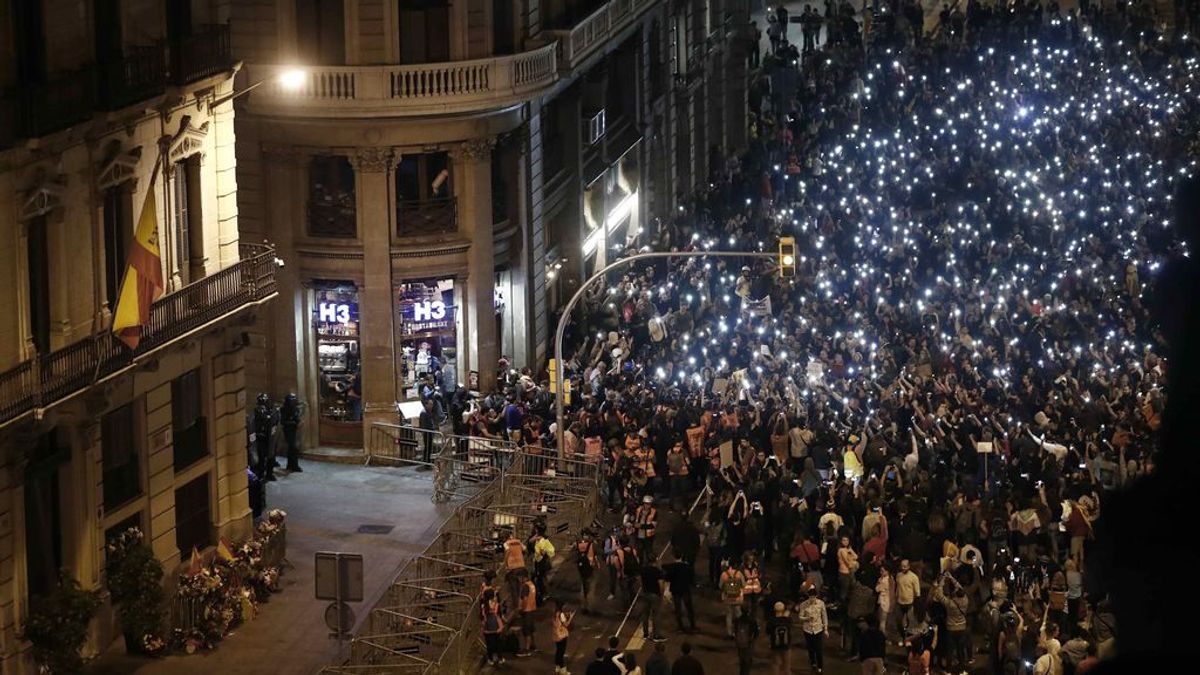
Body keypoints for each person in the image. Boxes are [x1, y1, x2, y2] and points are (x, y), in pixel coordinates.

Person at [664, 550, 697, 632]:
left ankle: (680, 627)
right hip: (685, 589)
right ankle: (692, 625)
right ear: (682, 556)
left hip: (675, 590)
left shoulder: (671, 567)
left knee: (678, 608)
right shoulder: (687, 567)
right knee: (689, 608)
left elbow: (667, 578)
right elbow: (691, 579)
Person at [798, 586, 829, 673]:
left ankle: (820, 666)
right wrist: (807, 618)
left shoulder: (821, 603)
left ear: (816, 596)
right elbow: (800, 617)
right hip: (807, 629)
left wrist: (826, 628)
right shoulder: (803, 604)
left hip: (818, 628)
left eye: (814, 597)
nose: (812, 599)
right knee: (810, 648)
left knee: (819, 649)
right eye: (810, 597)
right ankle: (813, 663)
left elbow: (824, 616)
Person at [641, 561, 667, 642]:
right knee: (656, 615)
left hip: (645, 593)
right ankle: (656, 635)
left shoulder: (643, 570)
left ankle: (645, 634)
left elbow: (640, 581)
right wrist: (662, 594)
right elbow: (661, 584)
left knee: (645, 614)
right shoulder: (657, 571)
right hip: (655, 595)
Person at [720, 559, 747, 637]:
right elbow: (744, 585)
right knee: (738, 614)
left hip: (727, 598)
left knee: (729, 615)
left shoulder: (724, 574)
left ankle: (729, 633)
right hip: (737, 598)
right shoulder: (739, 574)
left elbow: (720, 586)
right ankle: (739, 631)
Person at [896, 559, 921, 642]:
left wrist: (916, 602)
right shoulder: (898, 575)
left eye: (905, 566)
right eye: (902, 566)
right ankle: (903, 636)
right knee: (899, 621)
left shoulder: (914, 577)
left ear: (909, 566)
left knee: (910, 622)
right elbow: (897, 588)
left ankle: (910, 638)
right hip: (900, 602)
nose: (903, 568)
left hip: (910, 602)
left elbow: (917, 592)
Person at [766, 601, 793, 675]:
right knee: (787, 666)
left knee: (775, 664)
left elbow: (768, 632)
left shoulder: (771, 620)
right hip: (786, 645)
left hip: (775, 645)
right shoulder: (788, 620)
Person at [481, 588, 506, 666]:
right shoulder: (496, 604)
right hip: (496, 625)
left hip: (487, 627)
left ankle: (490, 658)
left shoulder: (484, 606)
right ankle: (500, 657)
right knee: (498, 643)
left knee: (489, 644)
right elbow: (500, 614)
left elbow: (482, 616)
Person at [279, 393, 303, 472]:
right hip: (288, 430)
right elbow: (283, 421)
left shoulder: (295, 409)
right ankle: (294, 466)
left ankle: (290, 465)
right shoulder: (283, 409)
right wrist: (292, 421)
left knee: (291, 448)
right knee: (293, 447)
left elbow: (297, 419)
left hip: (294, 429)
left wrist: (293, 420)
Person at [576, 528, 598, 612]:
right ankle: (589, 607)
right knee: (591, 587)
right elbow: (600, 552)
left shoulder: (578, 544)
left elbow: (575, 556)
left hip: (581, 569)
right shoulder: (593, 545)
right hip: (590, 568)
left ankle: (583, 606)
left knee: (583, 587)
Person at [517, 570, 538, 656]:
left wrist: (522, 608)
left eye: (519, 577)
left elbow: (525, 599)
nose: (518, 579)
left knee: (527, 630)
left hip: (527, 611)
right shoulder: (532, 584)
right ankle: (534, 645)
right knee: (531, 628)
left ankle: (527, 649)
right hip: (532, 609)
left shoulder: (525, 586)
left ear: (523, 577)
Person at [552, 599, 575, 674]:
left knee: (558, 651)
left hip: (556, 635)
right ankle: (563, 670)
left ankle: (557, 667)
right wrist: (571, 617)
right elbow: (566, 624)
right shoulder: (561, 614)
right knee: (561, 652)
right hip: (562, 635)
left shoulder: (555, 613)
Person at [733, 610, 758, 675]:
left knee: (742, 660)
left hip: (740, 642)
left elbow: (735, 631)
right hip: (749, 642)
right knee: (747, 660)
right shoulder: (752, 621)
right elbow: (756, 633)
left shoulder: (738, 620)